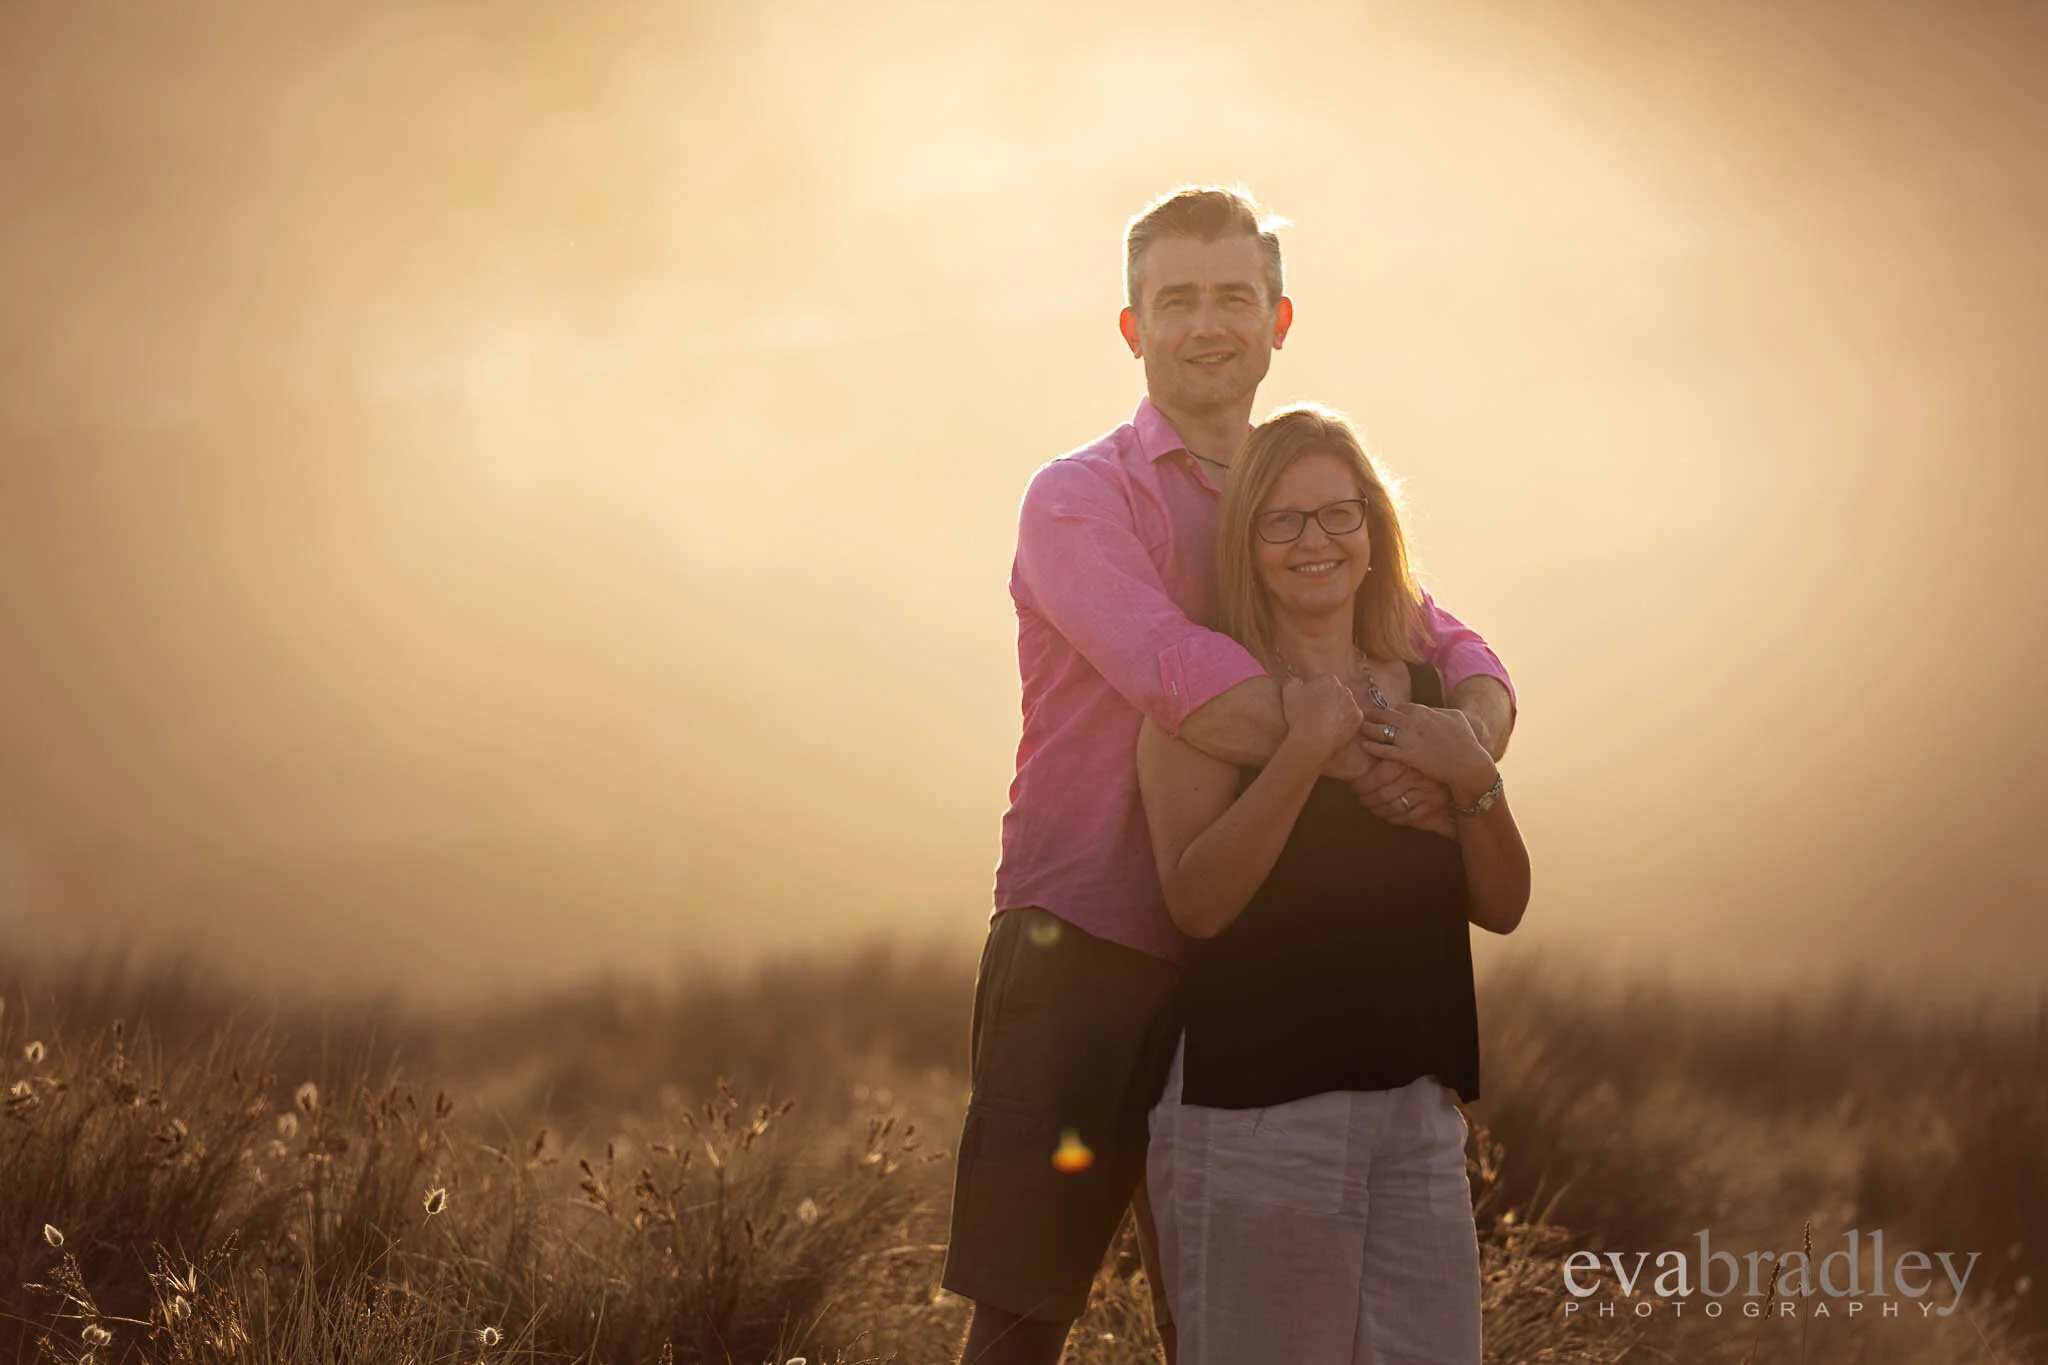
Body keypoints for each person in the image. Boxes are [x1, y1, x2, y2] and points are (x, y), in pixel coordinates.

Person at [941, 186, 1518, 1365]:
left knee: (1209, 1328)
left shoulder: (1294, 496)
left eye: (1232, 298)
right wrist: (1387, 759)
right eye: (1176, 300)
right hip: (1089, 941)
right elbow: (1176, 677)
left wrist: (1458, 748)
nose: (1207, 324)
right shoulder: (1078, 496)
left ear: (1277, 320)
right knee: (1021, 1314)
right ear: (1131, 326)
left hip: (1256, 961)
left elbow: (1458, 656)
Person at [1138, 403, 1530, 1363]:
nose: (1314, 541)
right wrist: (1304, 750)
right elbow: (1196, 901)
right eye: (1283, 519)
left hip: (1418, 1110)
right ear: (1248, 542)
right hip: (1259, 1109)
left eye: (1338, 514)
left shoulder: (1436, 703)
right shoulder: (1207, 708)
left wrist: (1471, 772)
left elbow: (1505, 905)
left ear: (1373, 531)